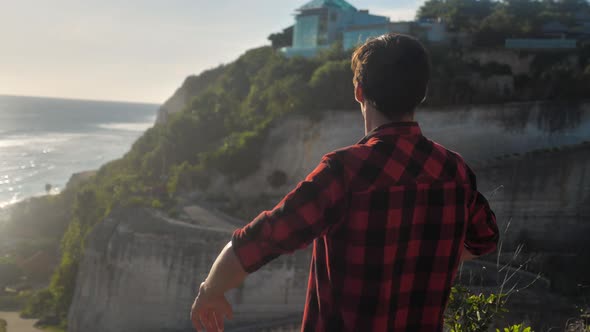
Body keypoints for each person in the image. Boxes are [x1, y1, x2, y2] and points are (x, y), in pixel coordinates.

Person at [190, 33, 499, 332]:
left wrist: (210, 289)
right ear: (422, 92)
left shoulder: (346, 171)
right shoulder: (454, 170)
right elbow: (484, 239)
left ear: (359, 91)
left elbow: (265, 237)